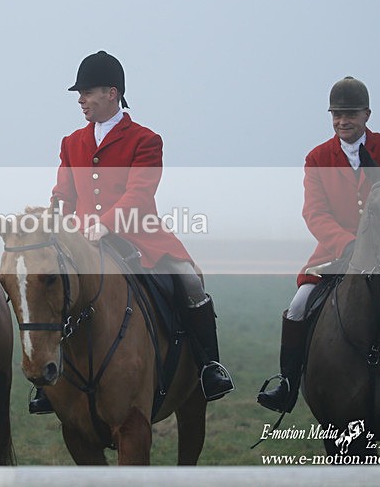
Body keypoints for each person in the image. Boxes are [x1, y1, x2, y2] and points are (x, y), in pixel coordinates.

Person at [29, 50, 235, 414]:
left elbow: (139, 194)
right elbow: (63, 193)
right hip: (80, 240)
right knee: (55, 290)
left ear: (112, 93)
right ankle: (51, 384)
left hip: (139, 236)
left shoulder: (145, 139)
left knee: (189, 281)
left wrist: (105, 222)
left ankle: (209, 368)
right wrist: (55, 222)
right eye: (79, 93)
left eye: (88, 92)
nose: (81, 100)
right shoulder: (71, 142)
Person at [257, 76, 380, 413]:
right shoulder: (317, 158)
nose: (342, 121)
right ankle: (288, 384)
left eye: (350, 114)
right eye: (336, 115)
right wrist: (348, 243)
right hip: (336, 252)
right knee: (297, 306)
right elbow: (314, 212)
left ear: (366, 114)